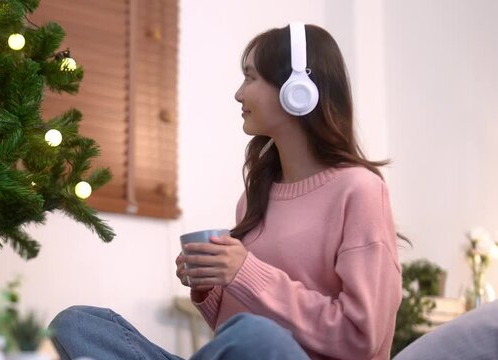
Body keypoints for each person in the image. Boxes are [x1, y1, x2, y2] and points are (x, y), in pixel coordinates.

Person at [49, 22, 402, 360]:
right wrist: (211, 287)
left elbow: (362, 336)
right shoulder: (253, 198)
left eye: (250, 77)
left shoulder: (359, 190)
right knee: (78, 323)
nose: (238, 93)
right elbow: (230, 334)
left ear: (297, 90)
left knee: (256, 335)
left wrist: (245, 272)